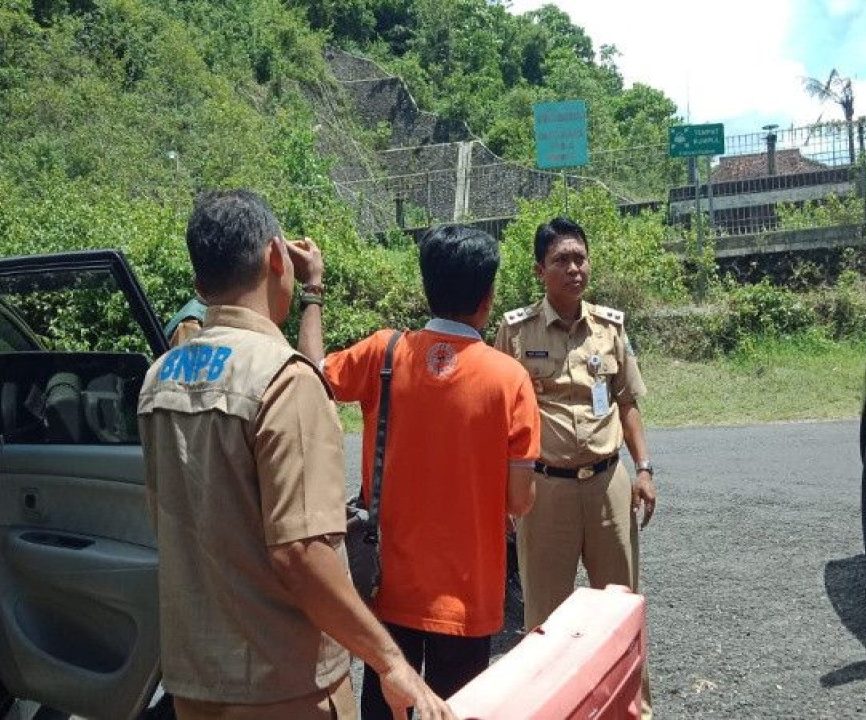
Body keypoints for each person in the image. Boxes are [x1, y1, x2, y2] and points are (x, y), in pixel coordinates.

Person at [137, 190, 451, 720]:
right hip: (283, 687)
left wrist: (311, 291)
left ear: (199, 284)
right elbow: (302, 556)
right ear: (275, 258)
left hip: (196, 682)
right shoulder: (281, 380)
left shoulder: (159, 377)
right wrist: (390, 661)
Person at [294, 224, 541, 720]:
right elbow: (519, 500)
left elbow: (309, 372)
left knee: (386, 705)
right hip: (469, 594)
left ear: (426, 287)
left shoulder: (382, 352)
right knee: (458, 709)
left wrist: (312, 293)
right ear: (488, 297)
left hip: (388, 586)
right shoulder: (510, 379)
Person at [492, 215, 657, 719]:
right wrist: (503, 492)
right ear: (540, 269)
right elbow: (498, 417)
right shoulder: (514, 331)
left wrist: (644, 467)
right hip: (546, 492)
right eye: (561, 259)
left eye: (579, 257)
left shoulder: (611, 327)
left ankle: (632, 710)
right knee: (545, 618)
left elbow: (627, 402)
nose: (573, 268)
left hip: (609, 483)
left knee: (621, 607)